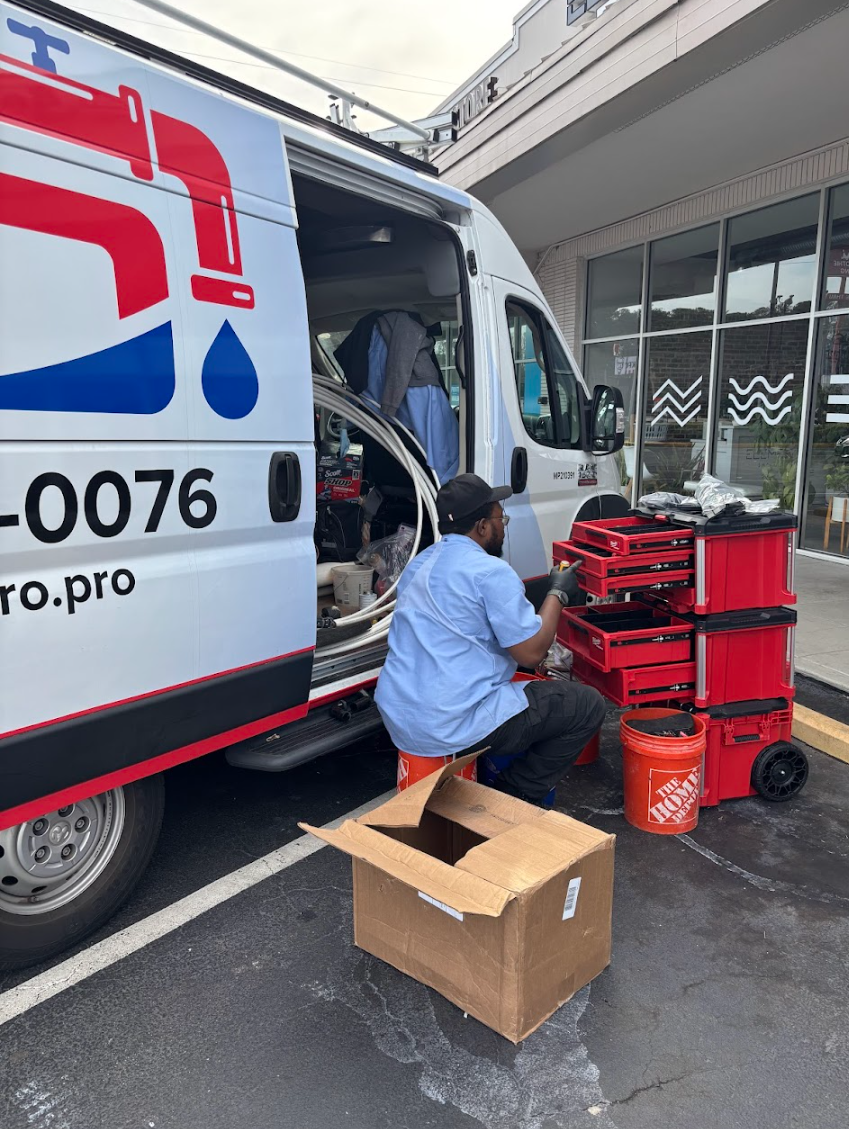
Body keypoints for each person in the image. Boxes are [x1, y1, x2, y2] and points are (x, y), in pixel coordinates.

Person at [375, 473, 606, 805]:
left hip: (398, 713)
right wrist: (558, 592)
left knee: (511, 679)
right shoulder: (490, 572)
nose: (504, 525)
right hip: (449, 723)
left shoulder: (420, 563)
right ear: (482, 526)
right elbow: (531, 652)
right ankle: (513, 797)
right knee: (586, 705)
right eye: (501, 518)